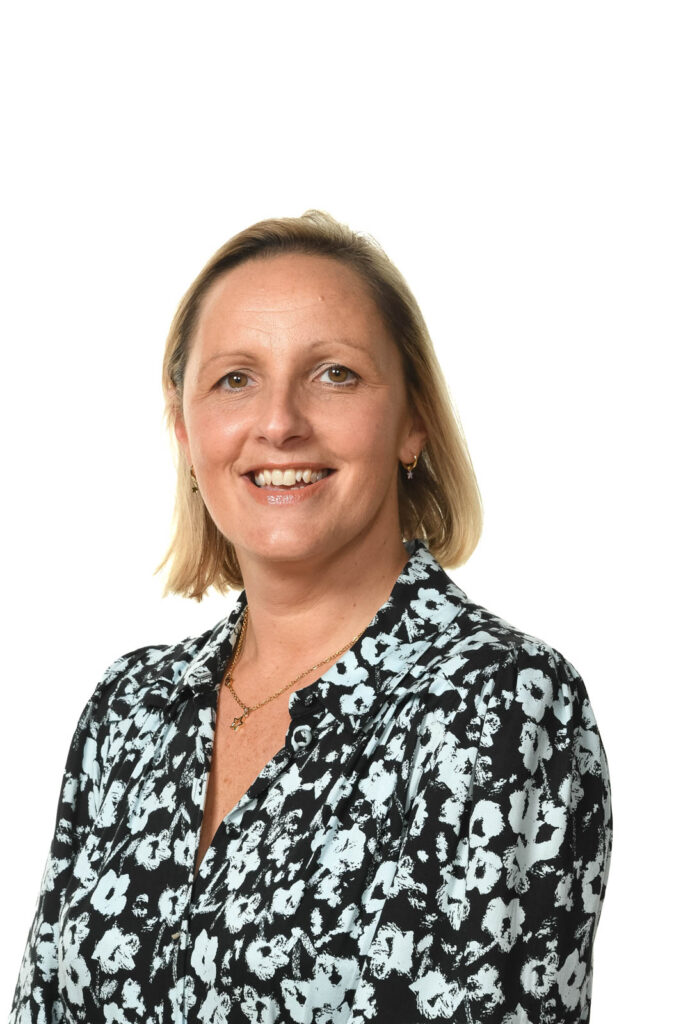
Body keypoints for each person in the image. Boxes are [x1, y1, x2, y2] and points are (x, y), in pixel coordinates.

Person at [9, 211, 612, 1024]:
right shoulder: (130, 709)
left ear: (412, 420)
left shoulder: (496, 702)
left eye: (334, 374)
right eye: (235, 379)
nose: (280, 421)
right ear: (186, 428)